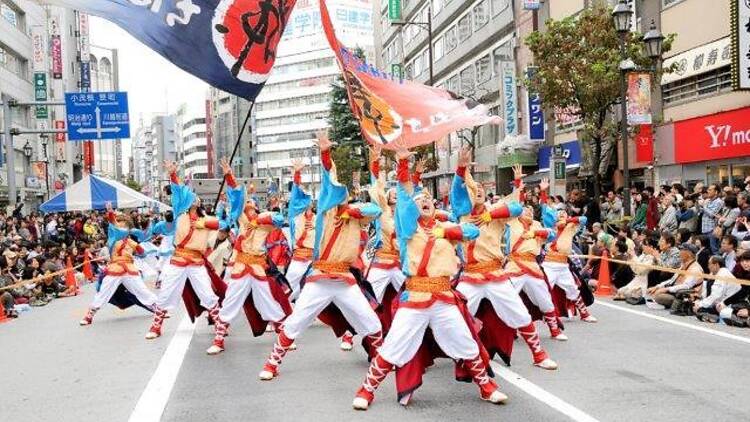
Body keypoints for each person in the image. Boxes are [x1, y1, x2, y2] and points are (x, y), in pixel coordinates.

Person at [351, 142, 507, 411]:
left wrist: (446, 233)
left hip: (444, 297)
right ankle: (367, 389)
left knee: (466, 343)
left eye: (428, 200)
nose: (424, 201)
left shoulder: (446, 226)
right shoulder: (407, 229)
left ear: (436, 208)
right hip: (416, 297)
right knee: (394, 346)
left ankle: (486, 386)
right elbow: (403, 204)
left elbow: (471, 232)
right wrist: (403, 166)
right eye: (419, 200)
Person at [259, 131, 383, 381]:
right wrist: (325, 154)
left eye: (343, 195)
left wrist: (353, 212)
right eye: (336, 195)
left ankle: (382, 364)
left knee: (373, 323)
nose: (339, 197)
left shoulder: (356, 215)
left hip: (344, 280)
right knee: (296, 321)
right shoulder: (324, 215)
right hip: (319, 277)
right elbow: (328, 182)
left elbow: (376, 208)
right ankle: (273, 362)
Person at [451, 147, 558, 370]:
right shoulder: (462, 214)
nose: (478, 190)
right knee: (455, 317)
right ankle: (463, 355)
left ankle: (539, 354)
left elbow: (517, 207)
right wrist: (461, 169)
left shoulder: (496, 213)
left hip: (496, 275)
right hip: (470, 276)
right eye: (474, 188)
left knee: (518, 312)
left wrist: (490, 214)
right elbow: (457, 193)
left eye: (481, 188)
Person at [207, 158, 291, 355]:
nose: (248, 209)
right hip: (241, 266)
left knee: (267, 300)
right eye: (246, 208)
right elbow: (236, 200)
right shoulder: (241, 220)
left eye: (252, 206)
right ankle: (219, 340)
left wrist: (261, 219)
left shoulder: (265, 223)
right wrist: (230, 176)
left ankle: (282, 334)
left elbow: (279, 219)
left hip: (258, 268)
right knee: (230, 301)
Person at [145, 161, 224, 340]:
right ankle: (156, 326)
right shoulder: (180, 212)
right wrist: (173, 175)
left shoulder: (206, 219)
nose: (194, 198)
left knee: (207, 294)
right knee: (166, 292)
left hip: (196, 262)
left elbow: (224, 224)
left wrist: (205, 223)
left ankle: (220, 327)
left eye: (196, 197)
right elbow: (179, 191)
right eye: (191, 196)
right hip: (179, 259)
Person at [79, 202, 157, 326]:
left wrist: (139, 251)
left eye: (123, 226)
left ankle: (157, 309)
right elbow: (112, 223)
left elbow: (142, 253)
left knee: (141, 290)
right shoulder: (112, 237)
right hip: (114, 269)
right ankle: (90, 314)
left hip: (130, 269)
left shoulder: (131, 242)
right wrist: (110, 212)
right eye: (118, 225)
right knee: (103, 292)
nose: (120, 228)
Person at [364, 146, 407, 335]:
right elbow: (377, 189)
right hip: (381, 264)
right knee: (367, 301)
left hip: (400, 265)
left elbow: (410, 190)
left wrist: (404, 165)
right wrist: (375, 164)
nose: (395, 194)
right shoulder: (382, 213)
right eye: (392, 194)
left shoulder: (407, 215)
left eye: (397, 193)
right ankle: (352, 334)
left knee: (413, 298)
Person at [506, 202, 563, 340]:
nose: (529, 212)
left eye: (531, 211)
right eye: (526, 210)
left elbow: (551, 234)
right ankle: (509, 331)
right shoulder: (511, 222)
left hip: (532, 266)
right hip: (514, 265)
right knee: (508, 300)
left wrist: (536, 232)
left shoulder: (537, 224)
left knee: (545, 300)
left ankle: (554, 330)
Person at [285, 159, 315, 302]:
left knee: (314, 288)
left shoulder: (318, 217)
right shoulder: (295, 215)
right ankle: (280, 315)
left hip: (315, 259)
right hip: (299, 257)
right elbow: (296, 192)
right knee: (289, 286)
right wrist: (297, 174)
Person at [648, 243, 703, 309]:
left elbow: (686, 286)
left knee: (658, 296)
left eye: (681, 250)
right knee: (654, 291)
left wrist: (666, 289)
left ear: (688, 253)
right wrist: (658, 286)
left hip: (686, 296)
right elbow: (672, 280)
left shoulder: (695, 268)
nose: (679, 252)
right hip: (676, 292)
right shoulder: (683, 265)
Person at [693, 256, 741, 322]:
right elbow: (707, 292)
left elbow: (716, 296)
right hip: (719, 303)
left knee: (700, 310)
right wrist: (699, 300)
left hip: (729, 305)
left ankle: (715, 317)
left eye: (709, 264)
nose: (708, 266)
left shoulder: (723, 274)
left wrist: (700, 304)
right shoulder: (714, 273)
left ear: (716, 265)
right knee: (696, 306)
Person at [699, 184, 724, 254]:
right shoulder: (708, 201)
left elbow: (712, 214)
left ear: (716, 192)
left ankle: (719, 264)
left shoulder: (719, 202)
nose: (707, 191)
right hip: (704, 229)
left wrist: (703, 206)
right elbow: (700, 212)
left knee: (714, 250)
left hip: (712, 230)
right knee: (706, 251)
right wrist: (698, 204)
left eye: (710, 190)